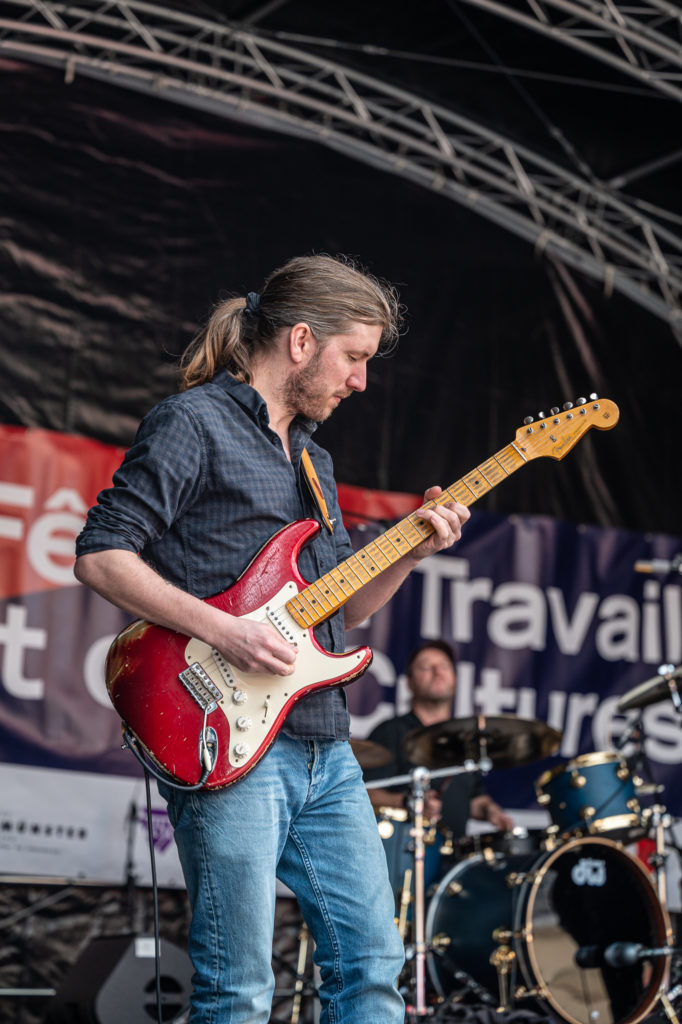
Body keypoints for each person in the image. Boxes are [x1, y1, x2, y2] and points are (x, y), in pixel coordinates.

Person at [73, 254, 471, 1024]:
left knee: (373, 969)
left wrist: (411, 551)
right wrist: (223, 630)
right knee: (240, 989)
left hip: (326, 746)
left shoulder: (315, 460)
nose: (361, 380)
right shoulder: (193, 423)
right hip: (226, 738)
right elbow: (101, 555)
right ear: (300, 341)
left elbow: (343, 613)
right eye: (353, 356)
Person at [365, 640, 514, 838]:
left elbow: (474, 800)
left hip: (453, 851)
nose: (437, 672)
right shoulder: (391, 732)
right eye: (426, 667)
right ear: (409, 682)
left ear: (455, 678)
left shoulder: (465, 739)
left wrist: (491, 811)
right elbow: (365, 793)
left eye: (444, 666)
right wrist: (409, 802)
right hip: (404, 848)